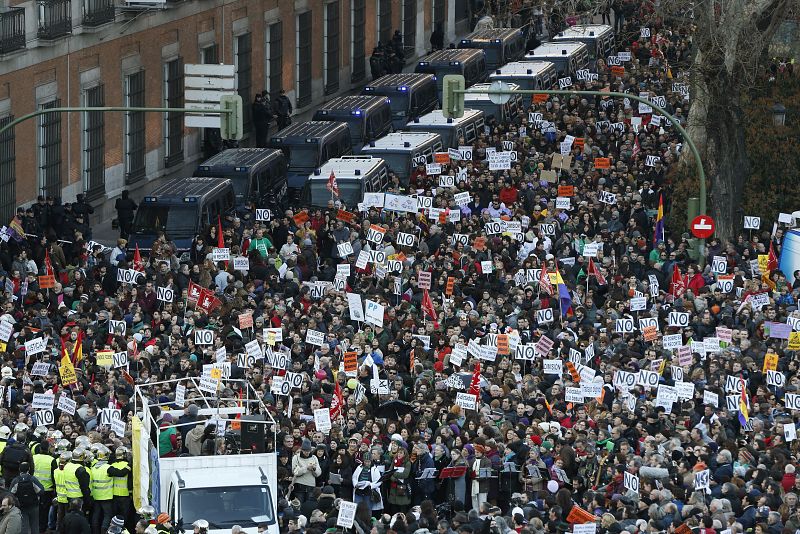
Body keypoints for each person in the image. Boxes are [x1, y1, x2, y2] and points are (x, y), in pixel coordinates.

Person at [9, 462, 43, 534]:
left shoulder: (16, 480)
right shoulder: (33, 479)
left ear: (19, 469)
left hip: (22, 507)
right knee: (35, 526)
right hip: (34, 506)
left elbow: (10, 494)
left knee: (24, 526)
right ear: (29, 469)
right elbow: (41, 491)